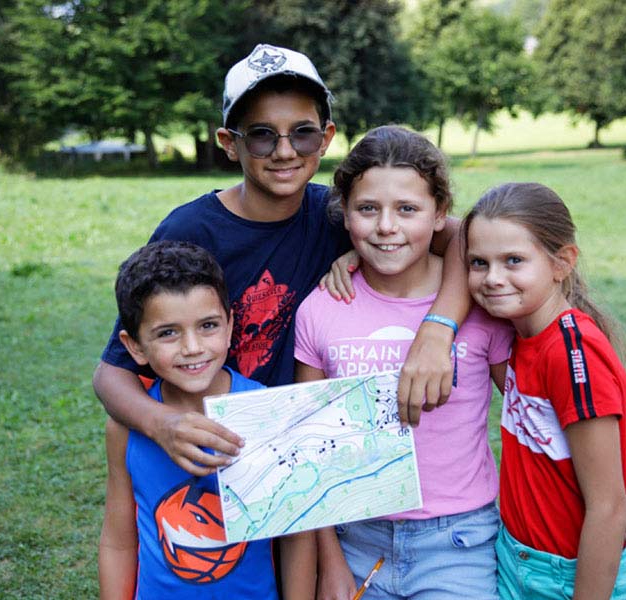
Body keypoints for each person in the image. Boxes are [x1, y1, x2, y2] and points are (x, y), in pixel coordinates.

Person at [92, 43, 464, 480]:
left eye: (302, 132)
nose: (285, 151)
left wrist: (439, 328)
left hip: (307, 453)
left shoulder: (345, 216)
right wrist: (163, 424)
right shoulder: (190, 232)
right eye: (263, 134)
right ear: (230, 144)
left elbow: (469, 242)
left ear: (326, 139)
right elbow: (111, 373)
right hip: (218, 454)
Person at [294, 125, 515, 599]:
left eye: (408, 209)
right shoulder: (322, 308)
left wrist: (615, 470)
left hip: (459, 542)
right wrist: (329, 563)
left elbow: (530, 412)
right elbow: (310, 449)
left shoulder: (479, 305)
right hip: (355, 540)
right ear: (346, 215)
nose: (386, 226)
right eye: (367, 209)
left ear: (440, 215)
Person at [463, 182, 626, 599]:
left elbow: (609, 507)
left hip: (567, 576)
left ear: (561, 263)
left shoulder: (570, 352)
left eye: (513, 261)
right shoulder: (519, 334)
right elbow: (432, 230)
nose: (493, 278)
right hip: (514, 559)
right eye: (478, 262)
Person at [98, 240, 297, 599]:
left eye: (208, 325)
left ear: (230, 323)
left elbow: (297, 532)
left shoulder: (268, 411)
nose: (192, 347)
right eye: (168, 333)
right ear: (134, 346)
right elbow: (118, 542)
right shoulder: (125, 428)